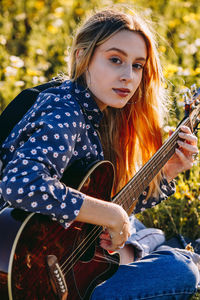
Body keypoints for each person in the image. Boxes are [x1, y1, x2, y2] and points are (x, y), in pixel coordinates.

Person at [0, 8, 199, 300]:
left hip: (51, 253)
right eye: (115, 60)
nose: (127, 77)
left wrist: (167, 171)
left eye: (137, 66)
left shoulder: (95, 111)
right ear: (82, 57)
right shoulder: (65, 112)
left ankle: (148, 246)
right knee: (180, 270)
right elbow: (21, 184)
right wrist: (112, 213)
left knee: (133, 229)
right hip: (26, 275)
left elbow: (102, 204)